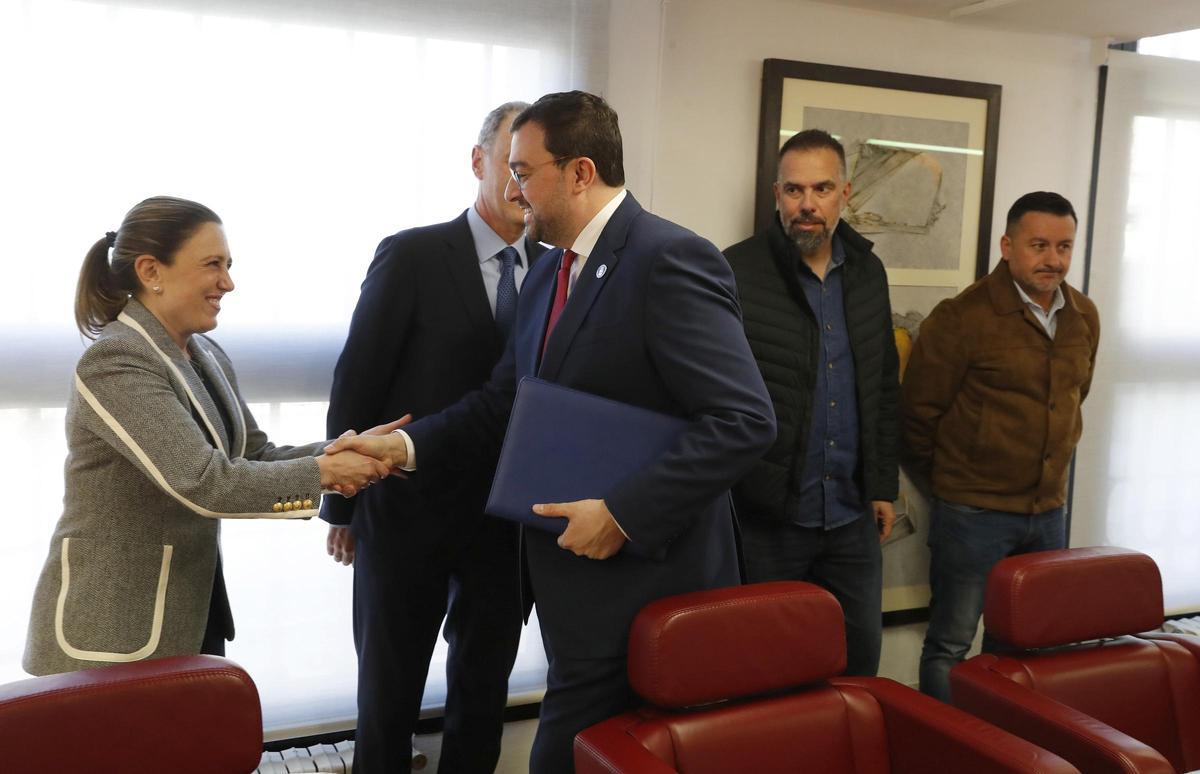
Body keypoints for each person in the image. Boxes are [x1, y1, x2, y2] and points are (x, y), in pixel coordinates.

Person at [326, 91, 776, 773]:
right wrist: (404, 447)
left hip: (646, 584)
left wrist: (622, 514)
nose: (515, 189)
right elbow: (504, 403)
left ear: (579, 173)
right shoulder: (547, 273)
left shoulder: (669, 258)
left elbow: (744, 421)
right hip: (567, 587)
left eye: (525, 171)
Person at [23, 196, 392, 676]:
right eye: (213, 264)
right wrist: (326, 472)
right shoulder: (116, 360)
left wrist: (349, 448)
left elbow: (253, 454)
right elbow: (204, 481)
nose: (228, 283)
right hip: (115, 632)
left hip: (189, 611)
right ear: (151, 271)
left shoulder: (205, 353)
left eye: (228, 266)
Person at [321, 102, 545, 774]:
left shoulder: (555, 269)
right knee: (388, 696)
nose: (520, 182)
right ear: (478, 161)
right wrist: (343, 507)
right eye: (509, 164)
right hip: (405, 511)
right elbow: (358, 378)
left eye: (532, 169)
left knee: (483, 694)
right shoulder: (414, 254)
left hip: (504, 524)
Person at [901, 191, 1100, 702]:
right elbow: (917, 417)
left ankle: (1006, 740)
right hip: (972, 514)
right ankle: (944, 742)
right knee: (950, 643)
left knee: (1025, 645)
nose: (1053, 259)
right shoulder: (962, 317)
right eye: (1039, 245)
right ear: (1007, 246)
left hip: (1048, 512)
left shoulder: (1083, 316)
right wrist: (954, 484)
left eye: (1064, 246)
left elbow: (1072, 399)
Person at [723, 129, 899, 677]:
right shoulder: (736, 271)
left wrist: (882, 486)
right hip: (769, 518)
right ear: (777, 194)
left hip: (850, 516)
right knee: (763, 672)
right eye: (794, 190)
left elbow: (882, 383)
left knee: (859, 667)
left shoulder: (868, 273)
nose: (807, 204)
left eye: (821, 189)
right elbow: (714, 396)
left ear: (844, 193)